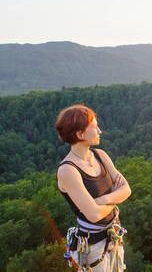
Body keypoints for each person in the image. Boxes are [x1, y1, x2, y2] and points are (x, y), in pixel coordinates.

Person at [55, 104, 132, 271]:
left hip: (114, 237)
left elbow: (127, 189)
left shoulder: (100, 156)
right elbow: (94, 214)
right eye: (94, 127)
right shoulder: (68, 170)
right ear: (80, 134)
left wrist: (103, 199)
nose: (100, 131)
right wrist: (116, 196)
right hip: (93, 248)